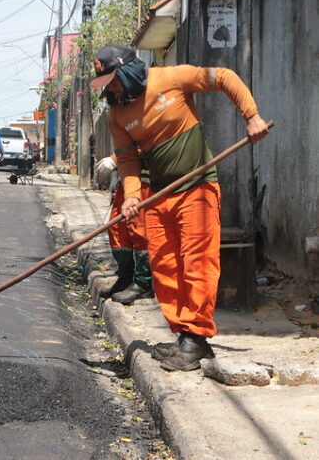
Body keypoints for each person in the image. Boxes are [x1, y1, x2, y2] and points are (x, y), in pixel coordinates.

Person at [90, 44, 269, 372]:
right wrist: (131, 196)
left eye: (113, 81)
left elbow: (224, 77)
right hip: (158, 196)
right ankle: (185, 336)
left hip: (197, 189)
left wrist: (251, 115)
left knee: (197, 264)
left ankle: (197, 338)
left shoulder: (171, 78)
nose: (111, 89)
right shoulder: (118, 113)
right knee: (165, 267)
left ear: (129, 71)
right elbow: (128, 158)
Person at [95, 154, 153, 305]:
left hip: (145, 182)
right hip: (126, 180)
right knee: (117, 229)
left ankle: (143, 284)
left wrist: (115, 158)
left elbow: (143, 140)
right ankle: (125, 277)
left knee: (140, 230)